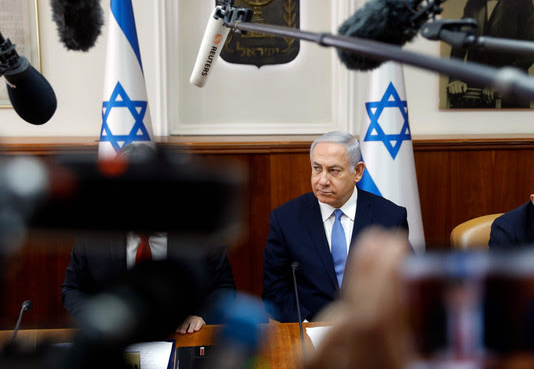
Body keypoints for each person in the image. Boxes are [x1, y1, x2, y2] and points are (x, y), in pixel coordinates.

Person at [61, 144, 237, 334]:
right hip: (114, 338)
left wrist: (202, 316)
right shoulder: (94, 235)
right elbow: (72, 289)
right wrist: (99, 317)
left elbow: (223, 288)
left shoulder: (200, 233)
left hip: (184, 336)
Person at [262, 131, 409, 322]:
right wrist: (307, 328)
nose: (322, 180)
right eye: (317, 168)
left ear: (357, 172)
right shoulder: (286, 219)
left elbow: (401, 288)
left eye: (333, 170)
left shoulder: (390, 218)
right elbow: (275, 292)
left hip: (370, 330)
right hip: (308, 332)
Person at [448, 0, 534, 109]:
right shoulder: (473, 2)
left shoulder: (524, 4)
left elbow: (529, 52)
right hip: (472, 93)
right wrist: (455, 78)